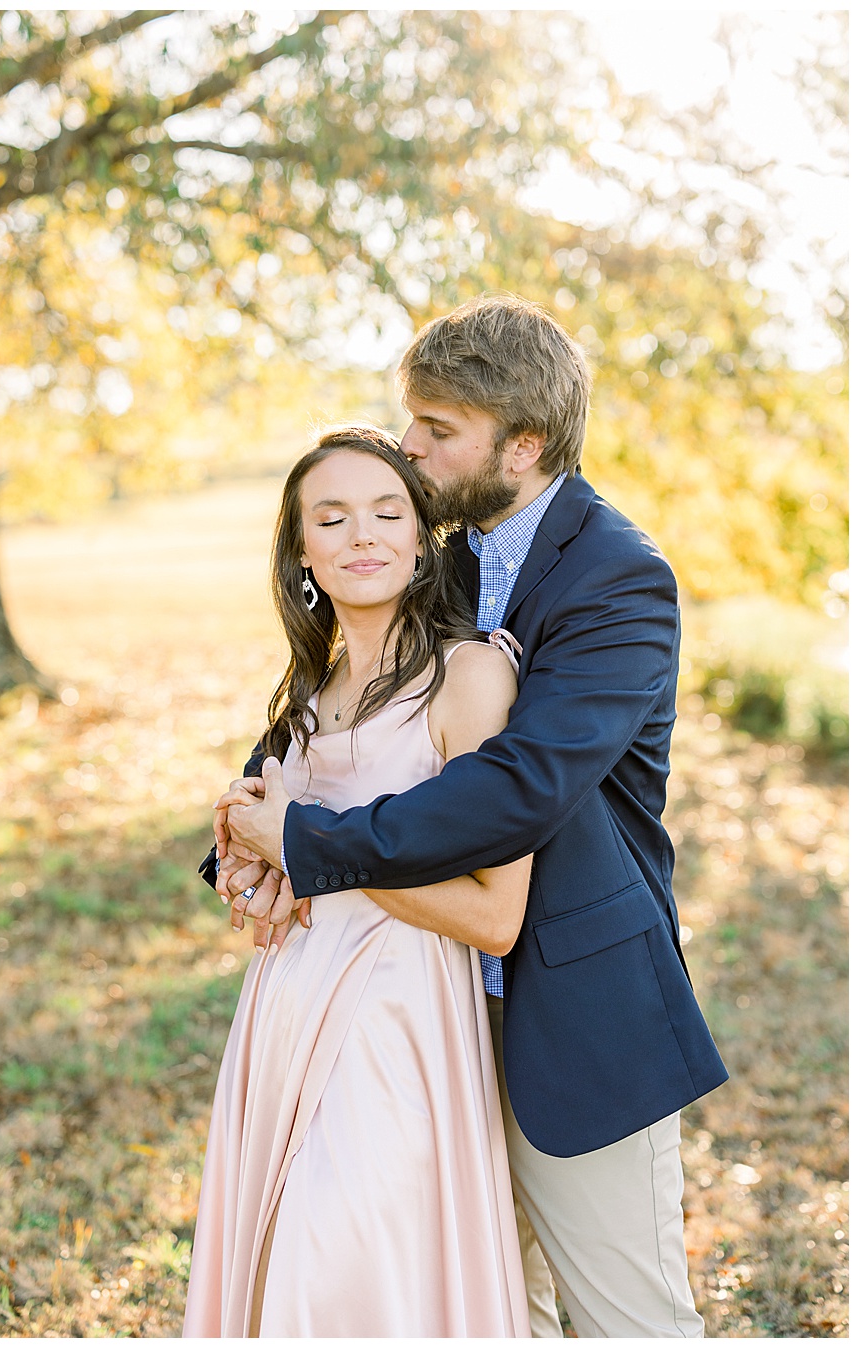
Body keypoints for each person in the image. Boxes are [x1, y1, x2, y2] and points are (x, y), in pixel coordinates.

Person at [212, 294, 726, 1336]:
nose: (410, 449)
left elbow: (521, 787)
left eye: (437, 431)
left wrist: (309, 849)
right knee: (486, 1310)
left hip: (568, 1002)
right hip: (424, 1011)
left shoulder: (619, 578)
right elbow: (338, 713)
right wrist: (241, 833)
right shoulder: (439, 557)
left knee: (628, 1319)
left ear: (523, 444)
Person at [183, 425, 532, 1336]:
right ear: (303, 551)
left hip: (395, 1020)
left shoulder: (471, 677)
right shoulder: (306, 698)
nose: (363, 535)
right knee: (278, 1258)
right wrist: (255, 859)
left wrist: (308, 845)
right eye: (332, 518)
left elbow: (498, 917)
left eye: (387, 512)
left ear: (423, 536)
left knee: (339, 1262)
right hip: (283, 1006)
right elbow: (280, 860)